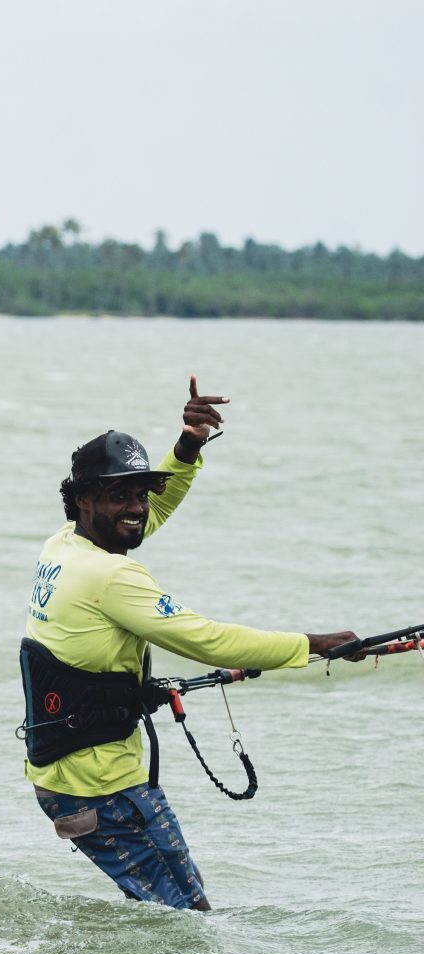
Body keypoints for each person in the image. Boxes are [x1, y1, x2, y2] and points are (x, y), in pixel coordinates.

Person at [19, 378, 358, 912]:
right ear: (84, 499)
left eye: (140, 491)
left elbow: (147, 514)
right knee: (186, 917)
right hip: (103, 786)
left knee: (171, 910)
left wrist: (188, 446)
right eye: (119, 495)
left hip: (69, 774)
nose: (136, 507)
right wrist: (312, 644)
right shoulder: (109, 577)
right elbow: (209, 639)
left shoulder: (63, 545)